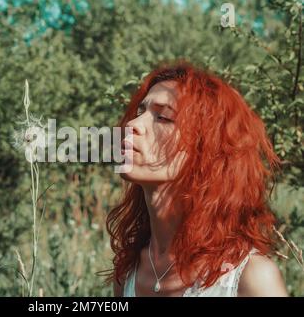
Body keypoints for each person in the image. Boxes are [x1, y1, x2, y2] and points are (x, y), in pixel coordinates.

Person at [106, 61, 288, 297]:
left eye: (163, 117)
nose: (132, 124)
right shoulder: (128, 273)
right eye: (141, 112)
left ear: (205, 151)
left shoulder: (249, 278)